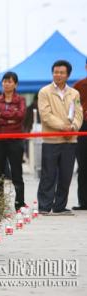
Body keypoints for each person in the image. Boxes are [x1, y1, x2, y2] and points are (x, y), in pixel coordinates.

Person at [37, 60, 83, 215]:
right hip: (51, 139)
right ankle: (44, 206)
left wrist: (73, 127)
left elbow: (78, 114)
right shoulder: (45, 92)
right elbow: (45, 115)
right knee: (48, 174)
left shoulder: (74, 93)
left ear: (68, 75)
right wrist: (61, 127)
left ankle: (60, 206)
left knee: (66, 175)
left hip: (70, 140)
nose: (58, 75)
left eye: (61, 72)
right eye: (56, 72)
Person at [0, 72, 26, 210]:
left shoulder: (21, 99)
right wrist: (10, 118)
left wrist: (2, 115)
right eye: (5, 81)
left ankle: (20, 203)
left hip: (15, 140)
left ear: (15, 84)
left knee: (17, 172)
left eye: (10, 81)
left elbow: (20, 116)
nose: (7, 84)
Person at [73, 59, 87, 210]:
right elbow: (72, 108)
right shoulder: (78, 86)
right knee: (83, 166)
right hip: (83, 126)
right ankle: (84, 201)